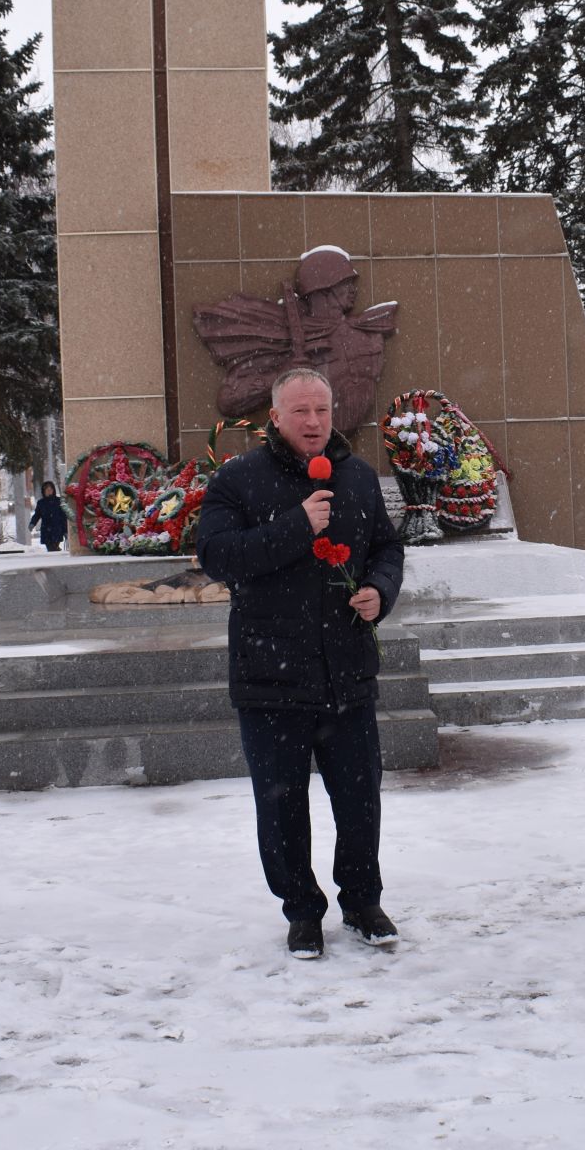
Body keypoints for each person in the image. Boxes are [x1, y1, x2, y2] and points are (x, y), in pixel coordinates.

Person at [197, 366, 405, 959]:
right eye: (301, 412)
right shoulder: (238, 480)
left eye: (322, 410)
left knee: (360, 800)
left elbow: (387, 548)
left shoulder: (359, 477)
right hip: (271, 677)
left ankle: (363, 901)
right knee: (283, 804)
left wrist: (378, 592)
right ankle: (302, 911)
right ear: (276, 417)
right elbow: (216, 557)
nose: (313, 422)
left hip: (347, 673)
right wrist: (295, 525)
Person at [28, 480, 69, 552]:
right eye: (47, 490)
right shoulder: (41, 503)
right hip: (46, 530)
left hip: (57, 529)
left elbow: (63, 517)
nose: (49, 491)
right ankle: (57, 557)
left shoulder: (58, 501)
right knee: (51, 549)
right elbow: (37, 515)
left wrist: (65, 531)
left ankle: (56, 557)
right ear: (44, 491)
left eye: (50, 489)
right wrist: (32, 523)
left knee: (53, 549)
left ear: (53, 490)